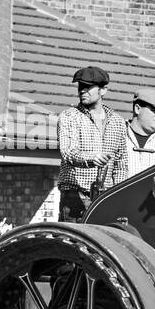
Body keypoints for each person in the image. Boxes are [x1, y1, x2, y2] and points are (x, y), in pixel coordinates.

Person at [57, 66, 128, 221]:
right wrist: (92, 158)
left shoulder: (118, 122)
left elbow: (121, 164)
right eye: (80, 86)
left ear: (103, 90)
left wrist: (120, 197)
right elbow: (67, 152)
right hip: (74, 196)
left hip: (106, 198)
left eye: (88, 87)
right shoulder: (69, 116)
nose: (82, 90)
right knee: (71, 244)